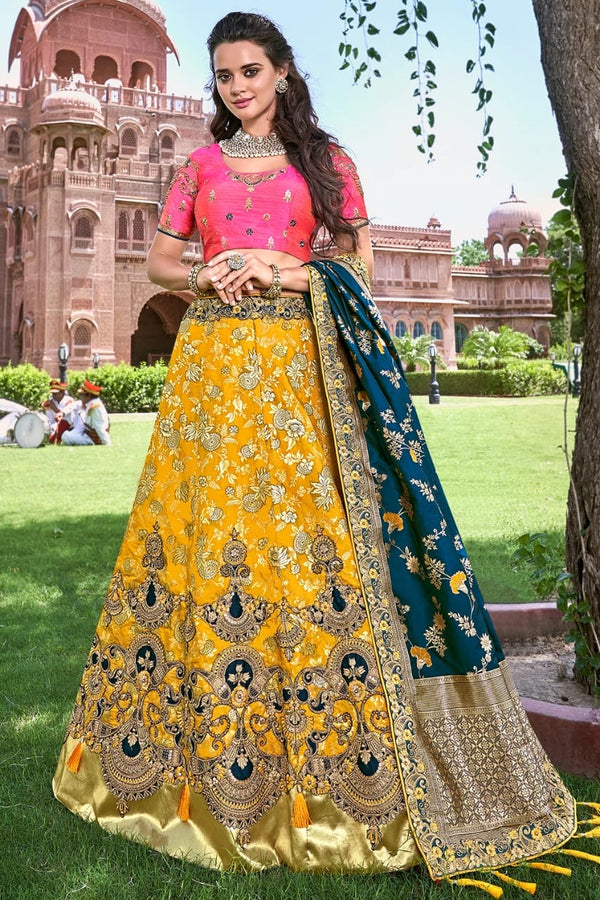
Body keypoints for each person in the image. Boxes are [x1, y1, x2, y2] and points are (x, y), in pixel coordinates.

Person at [54, 11, 584, 887]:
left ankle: (338, 777)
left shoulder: (327, 164)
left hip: (303, 376)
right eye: (225, 74)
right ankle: (186, 772)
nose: (236, 86)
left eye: (251, 70)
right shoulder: (199, 166)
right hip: (215, 379)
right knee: (207, 548)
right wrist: (210, 272)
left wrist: (282, 268)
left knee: (309, 548)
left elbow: (357, 268)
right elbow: (156, 262)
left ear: (285, 72)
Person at [61, 379, 111, 445]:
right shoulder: (91, 403)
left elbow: (99, 427)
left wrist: (107, 443)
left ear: (89, 395)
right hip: (87, 433)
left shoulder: (94, 407)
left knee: (65, 436)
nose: (82, 397)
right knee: (67, 434)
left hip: (92, 439)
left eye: (83, 395)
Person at [43, 379, 79, 444]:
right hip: (54, 428)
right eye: (52, 393)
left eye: (56, 393)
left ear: (62, 392)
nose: (53, 395)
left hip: (70, 427)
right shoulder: (49, 403)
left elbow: (68, 418)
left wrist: (56, 409)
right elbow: (50, 420)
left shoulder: (69, 401)